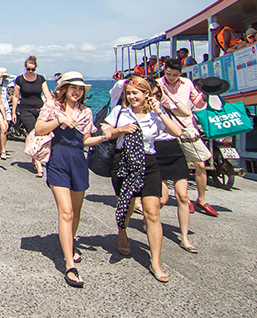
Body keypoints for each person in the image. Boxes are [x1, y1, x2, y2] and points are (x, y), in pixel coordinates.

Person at [100, 75, 184, 283]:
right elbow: (106, 130)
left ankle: (155, 261)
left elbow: (177, 131)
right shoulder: (120, 112)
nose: (131, 97)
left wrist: (161, 112)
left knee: (152, 212)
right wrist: (120, 130)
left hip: (149, 162)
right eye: (128, 93)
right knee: (126, 206)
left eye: (135, 93)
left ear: (147, 94)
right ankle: (123, 231)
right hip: (124, 162)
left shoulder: (154, 115)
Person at [35, 72, 107, 288]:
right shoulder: (52, 107)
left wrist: (106, 136)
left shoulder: (86, 112)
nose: (77, 91)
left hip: (78, 159)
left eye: (80, 88)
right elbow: (39, 129)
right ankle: (69, 264)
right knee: (65, 211)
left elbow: (85, 140)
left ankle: (70, 243)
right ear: (63, 89)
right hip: (58, 158)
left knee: (75, 211)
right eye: (73, 87)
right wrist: (60, 120)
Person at [157, 58, 218, 220]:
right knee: (175, 168)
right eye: (168, 73)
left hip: (187, 128)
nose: (170, 77)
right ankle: (182, 197)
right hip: (167, 129)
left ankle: (202, 199)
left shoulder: (187, 83)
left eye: (174, 75)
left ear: (181, 74)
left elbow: (197, 104)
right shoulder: (157, 84)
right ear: (164, 69)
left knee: (200, 163)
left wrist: (206, 94)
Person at [12, 55, 53, 177]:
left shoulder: (41, 79)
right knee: (35, 134)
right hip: (26, 110)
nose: (30, 71)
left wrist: (52, 107)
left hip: (40, 110)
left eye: (33, 69)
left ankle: (35, 157)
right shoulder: (20, 80)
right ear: (25, 68)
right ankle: (40, 167)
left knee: (41, 135)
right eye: (28, 69)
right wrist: (14, 112)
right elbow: (15, 96)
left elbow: (47, 95)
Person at [0, 67, 11, 159]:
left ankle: (2, 149)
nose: (3, 78)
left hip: (6, 107)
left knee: (5, 130)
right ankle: (2, 151)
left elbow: (15, 79)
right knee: (3, 129)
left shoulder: (6, 82)